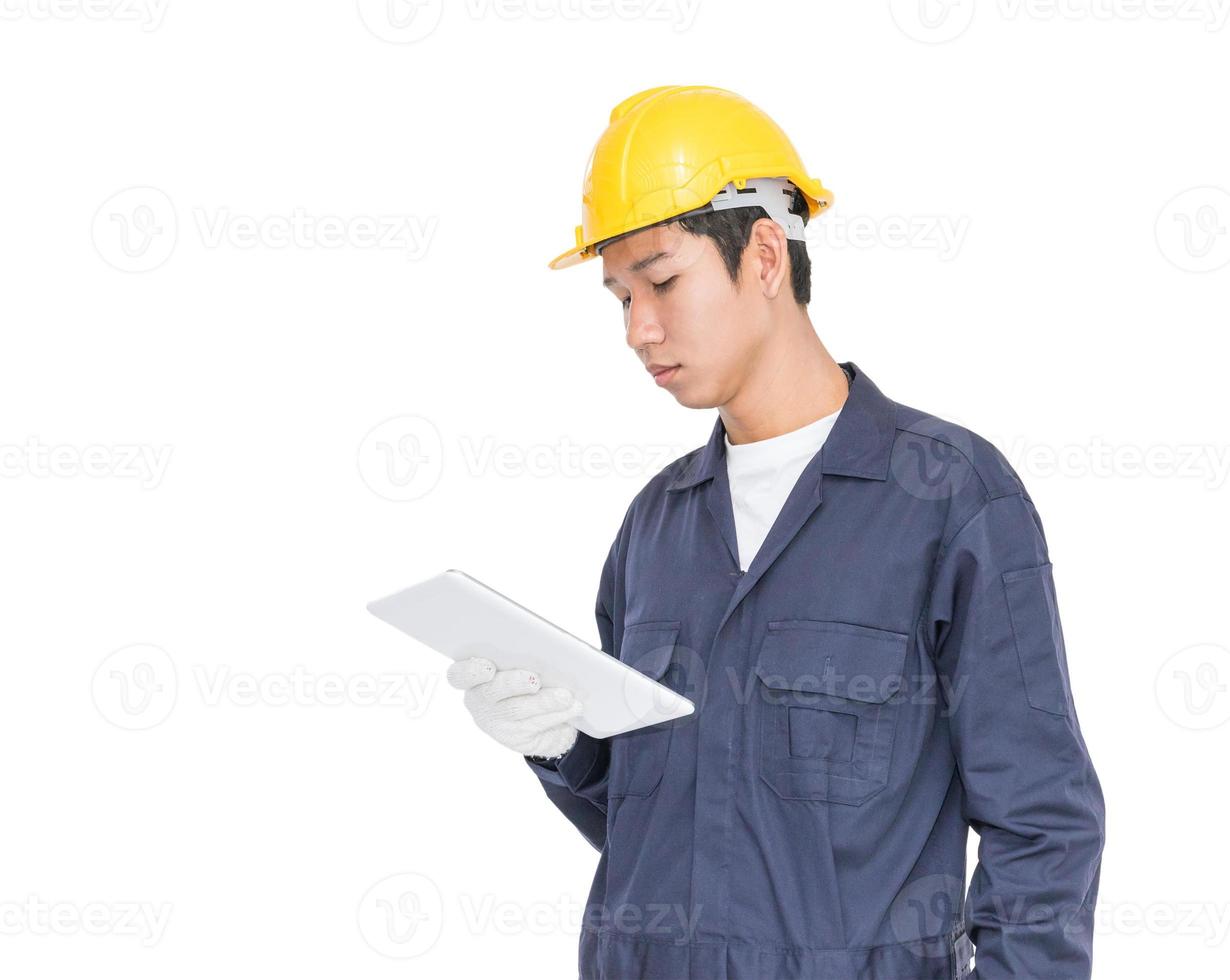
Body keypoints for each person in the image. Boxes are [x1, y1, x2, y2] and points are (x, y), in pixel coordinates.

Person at [446, 85, 1105, 979]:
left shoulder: (950, 497)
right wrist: (559, 742)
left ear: (762, 254)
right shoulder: (657, 525)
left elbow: (1043, 824)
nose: (639, 329)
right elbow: (656, 822)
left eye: (664, 281)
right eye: (620, 298)